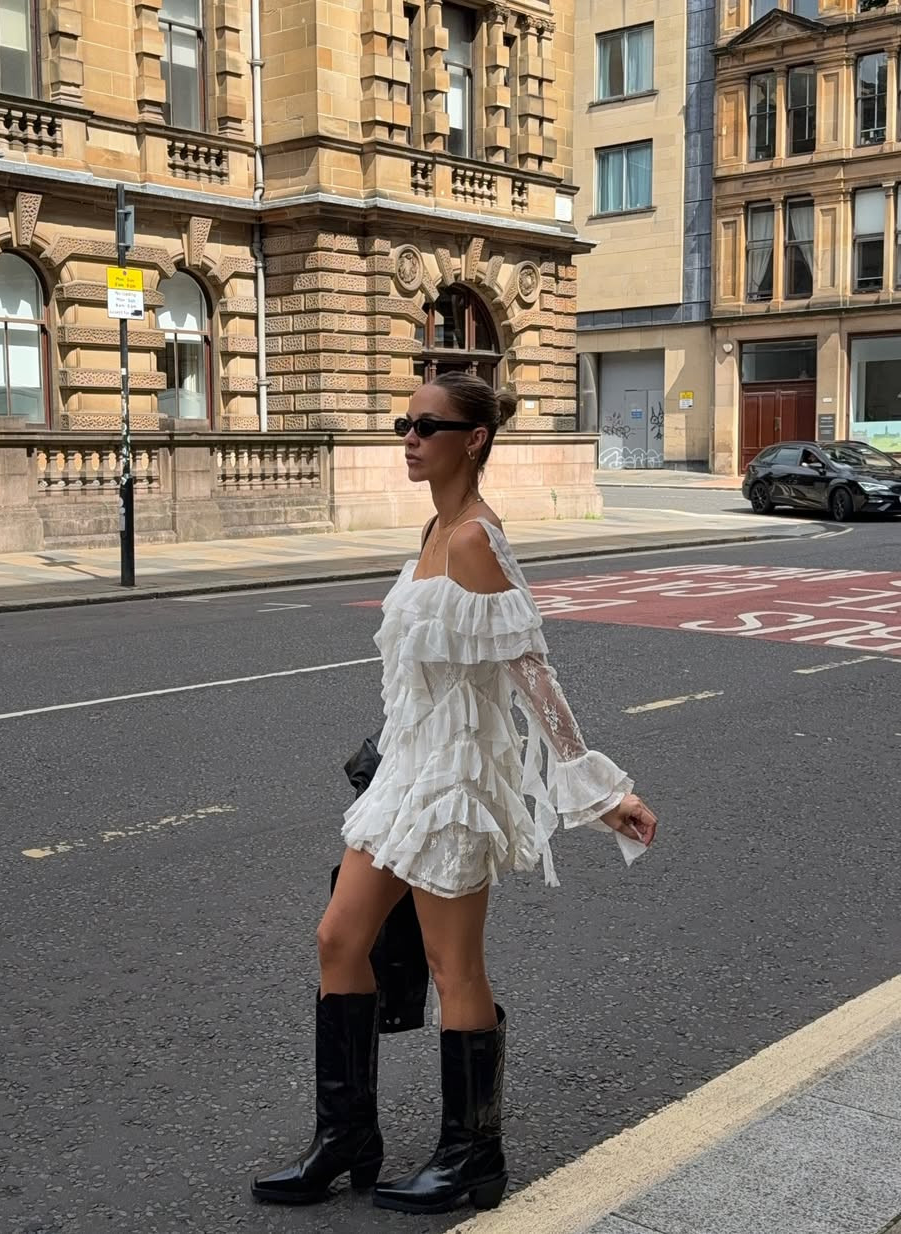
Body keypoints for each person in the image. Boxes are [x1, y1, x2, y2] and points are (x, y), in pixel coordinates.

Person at [251, 373, 659, 1215]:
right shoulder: (432, 524)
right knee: (339, 940)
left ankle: (474, 1154)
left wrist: (595, 785)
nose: (409, 437)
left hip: (456, 779)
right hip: (405, 769)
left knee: (452, 966)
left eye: (427, 426)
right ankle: (346, 1137)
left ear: (473, 439)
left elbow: (530, 667)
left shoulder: (476, 539)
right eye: (405, 422)